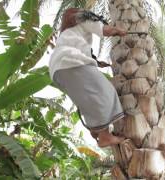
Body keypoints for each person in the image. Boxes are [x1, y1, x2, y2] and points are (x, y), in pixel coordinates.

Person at [49, 8, 126, 147]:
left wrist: (97, 63)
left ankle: (96, 129)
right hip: (71, 61)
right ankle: (104, 135)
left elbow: (81, 51)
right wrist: (119, 30)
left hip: (57, 70)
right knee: (105, 91)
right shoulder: (83, 17)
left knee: (87, 98)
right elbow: (105, 30)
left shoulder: (66, 32)